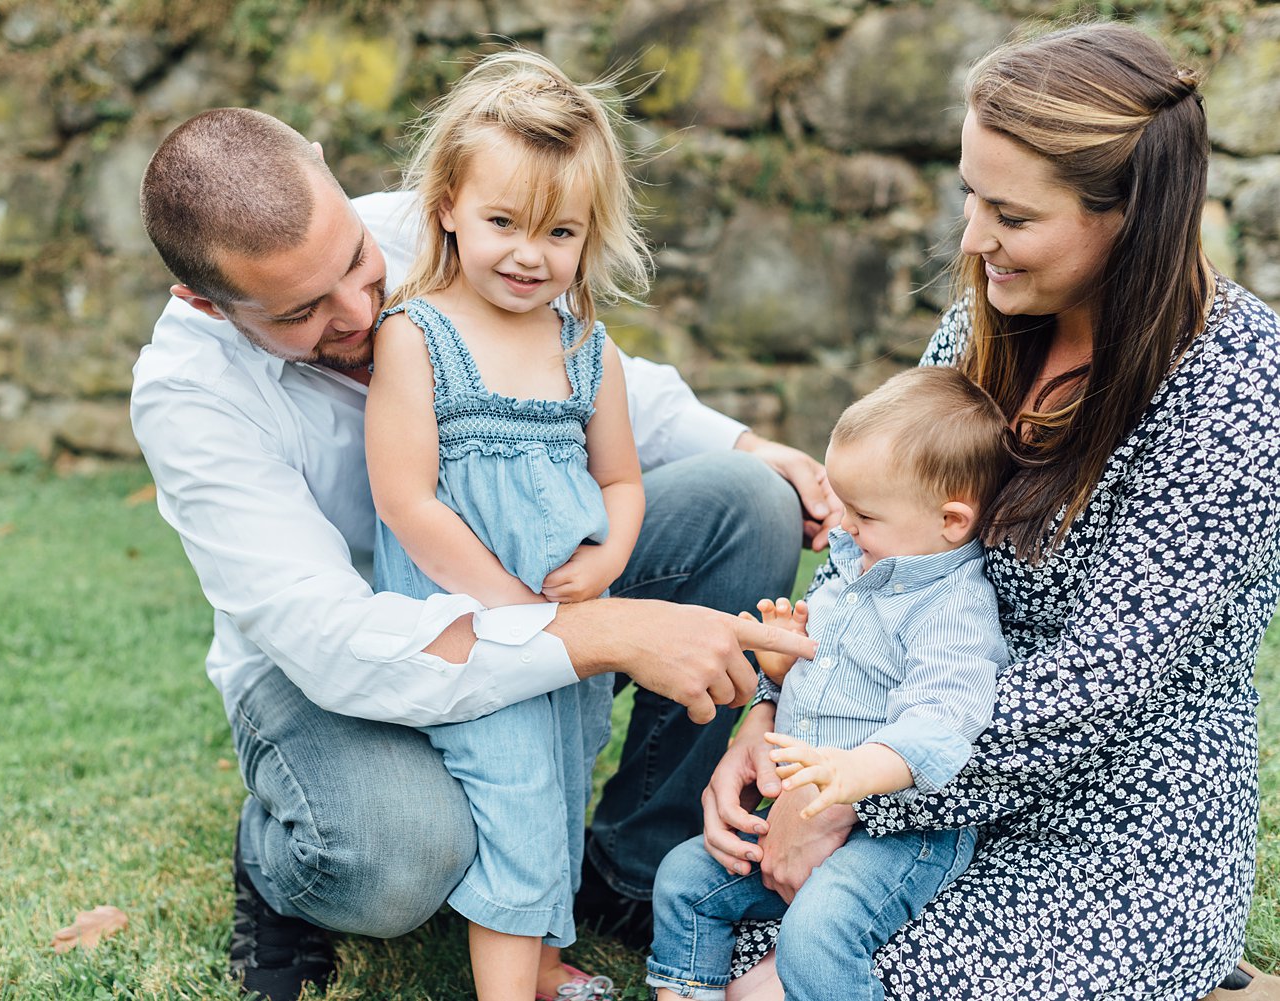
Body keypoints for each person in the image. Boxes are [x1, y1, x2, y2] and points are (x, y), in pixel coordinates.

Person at [131, 96, 832, 1001]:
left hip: (528, 573)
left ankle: (625, 870)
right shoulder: (188, 397)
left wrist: (751, 447)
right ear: (205, 299)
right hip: (333, 669)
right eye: (304, 310)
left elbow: (579, 364)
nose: (360, 307)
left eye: (354, 261)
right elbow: (332, 640)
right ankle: (281, 864)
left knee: (747, 502)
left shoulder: (434, 222)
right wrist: (595, 632)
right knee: (400, 855)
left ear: (324, 163)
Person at [702, 22, 1280, 1001]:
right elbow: (869, 530)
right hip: (913, 759)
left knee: (772, 987)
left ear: (1129, 216)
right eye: (973, 195)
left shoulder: (1237, 393)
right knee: (711, 942)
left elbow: (1092, 689)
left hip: (1107, 832)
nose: (973, 239)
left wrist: (848, 785)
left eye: (1010, 213)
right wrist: (777, 711)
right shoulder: (986, 318)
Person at [365, 51, 649, 999]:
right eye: (503, 223)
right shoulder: (417, 335)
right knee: (518, 788)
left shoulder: (584, 344)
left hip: (564, 623)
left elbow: (620, 477)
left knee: (563, 781)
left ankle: (542, 962)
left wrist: (610, 551)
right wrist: (512, 606)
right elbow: (407, 499)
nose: (530, 255)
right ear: (447, 204)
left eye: (559, 231)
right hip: (472, 625)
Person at [646, 366, 1011, 1001]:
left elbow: (945, 717)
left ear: (952, 521)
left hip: (903, 835)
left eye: (863, 513)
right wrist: (784, 674)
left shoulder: (952, 610)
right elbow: (835, 679)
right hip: (809, 806)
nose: (841, 526)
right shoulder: (858, 565)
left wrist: (855, 775)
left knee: (816, 934)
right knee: (684, 877)